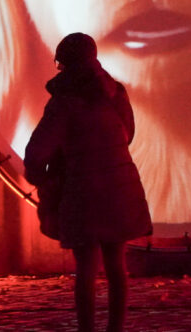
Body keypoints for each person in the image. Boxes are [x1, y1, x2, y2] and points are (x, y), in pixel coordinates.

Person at [25, 33, 152, 332]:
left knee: (85, 269)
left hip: (83, 191)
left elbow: (37, 151)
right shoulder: (115, 93)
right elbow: (128, 135)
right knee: (116, 266)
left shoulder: (63, 103)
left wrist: (43, 179)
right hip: (121, 186)